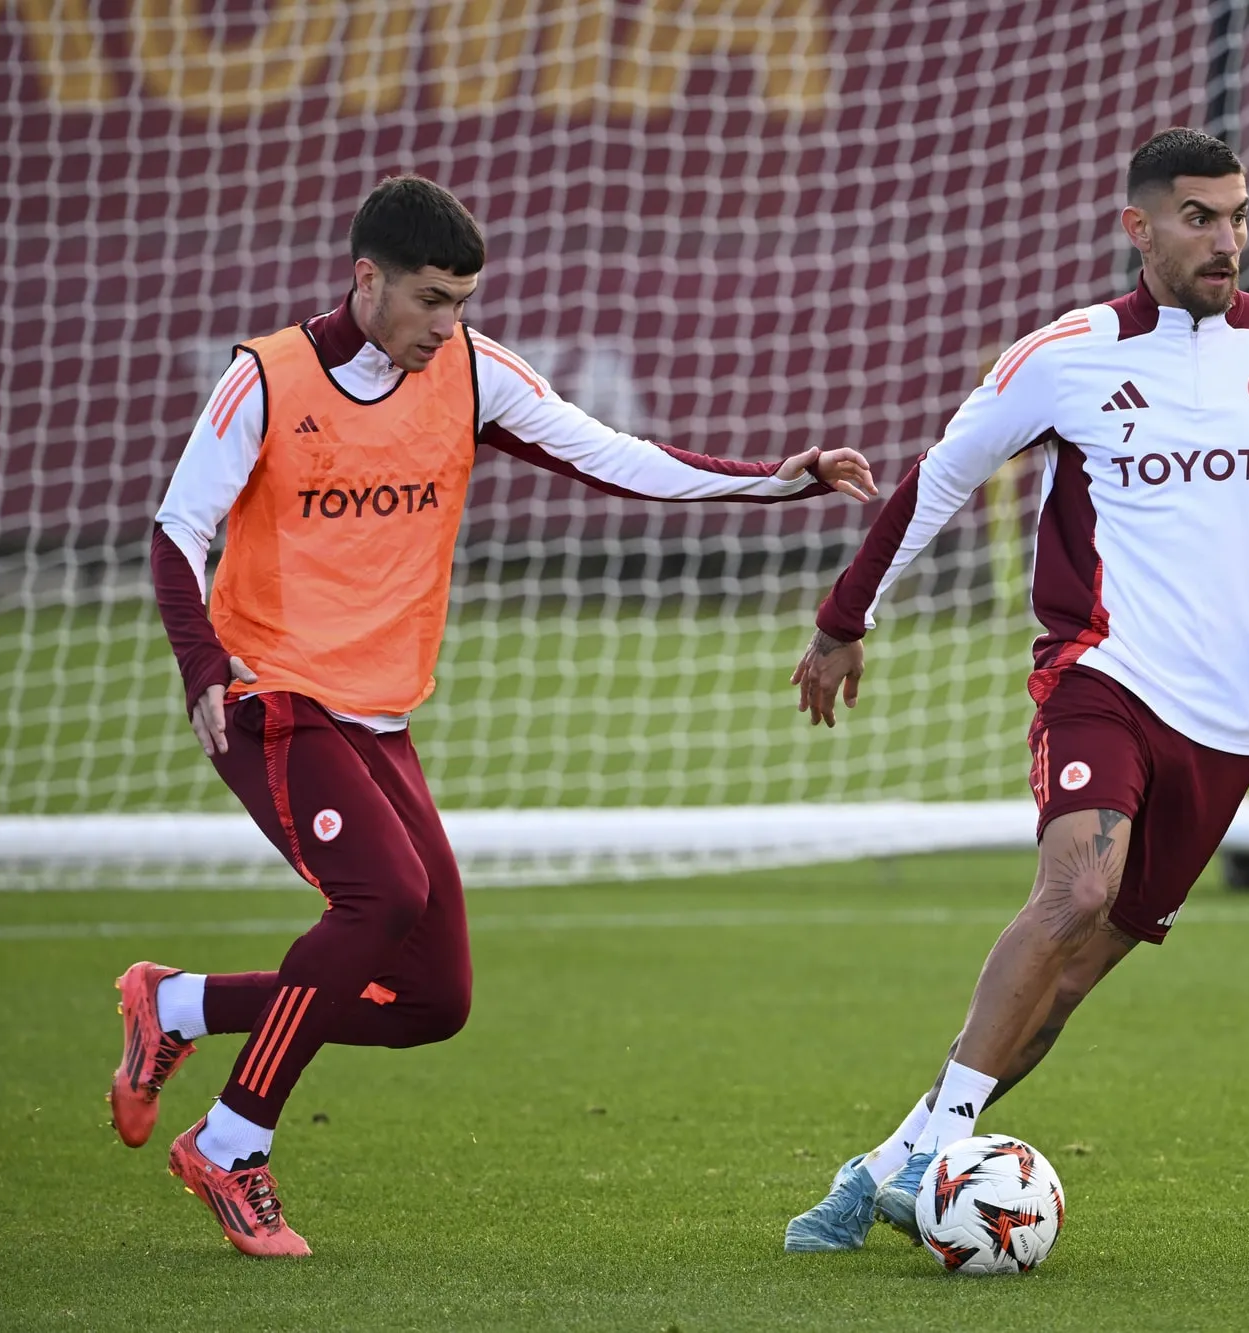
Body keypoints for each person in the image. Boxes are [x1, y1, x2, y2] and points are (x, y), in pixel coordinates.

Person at [113, 174, 876, 1257]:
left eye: (462, 301)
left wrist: (778, 482)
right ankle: (231, 1142)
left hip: (378, 711)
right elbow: (177, 532)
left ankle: (174, 1006)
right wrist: (201, 667)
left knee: (432, 999)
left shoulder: (472, 372)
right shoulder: (268, 379)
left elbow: (612, 455)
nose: (448, 325)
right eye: (431, 299)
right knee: (381, 895)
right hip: (267, 691)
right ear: (366, 279)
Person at [782, 128, 1249, 1253]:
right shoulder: (1063, 355)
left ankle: (889, 1160)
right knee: (1072, 893)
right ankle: (938, 1146)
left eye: (1237, 216)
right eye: (1199, 218)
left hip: (1228, 720)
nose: (1226, 240)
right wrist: (841, 620)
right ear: (1138, 226)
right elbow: (937, 482)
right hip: (1099, 673)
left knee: (1071, 980)